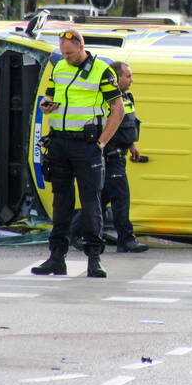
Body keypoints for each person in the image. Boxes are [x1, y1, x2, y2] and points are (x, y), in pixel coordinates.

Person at [33, 30, 125, 278]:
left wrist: (102, 142)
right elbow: (49, 96)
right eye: (63, 52)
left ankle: (94, 259)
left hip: (87, 146)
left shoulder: (101, 71)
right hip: (60, 143)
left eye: (70, 53)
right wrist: (46, 105)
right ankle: (56, 258)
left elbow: (118, 109)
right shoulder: (59, 67)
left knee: (91, 202)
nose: (66, 57)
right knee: (61, 202)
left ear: (81, 46)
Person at [71, 62, 148, 253]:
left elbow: (127, 126)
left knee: (100, 198)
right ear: (116, 78)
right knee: (121, 198)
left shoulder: (126, 98)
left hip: (120, 155)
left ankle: (72, 234)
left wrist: (132, 146)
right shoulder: (107, 100)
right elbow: (108, 126)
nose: (131, 80)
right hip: (109, 157)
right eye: (128, 76)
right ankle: (126, 239)